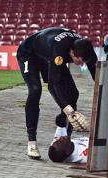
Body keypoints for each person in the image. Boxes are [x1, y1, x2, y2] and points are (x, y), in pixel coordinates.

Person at [16, 27, 97, 159]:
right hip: (29, 53)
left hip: (47, 55)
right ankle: (32, 142)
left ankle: (62, 133)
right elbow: (53, 86)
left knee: (73, 93)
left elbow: (96, 75)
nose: (80, 65)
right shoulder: (59, 50)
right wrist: (70, 111)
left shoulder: (87, 49)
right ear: (71, 52)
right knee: (35, 90)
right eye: (78, 61)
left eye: (83, 62)